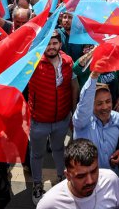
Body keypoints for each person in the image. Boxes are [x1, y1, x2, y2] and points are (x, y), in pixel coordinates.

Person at [27, 31, 79, 204]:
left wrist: (72, 114)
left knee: (59, 150)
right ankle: (37, 184)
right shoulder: (32, 62)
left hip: (62, 119)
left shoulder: (68, 62)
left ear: (60, 44)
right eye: (48, 43)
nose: (51, 47)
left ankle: (61, 178)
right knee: (37, 154)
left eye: (54, 43)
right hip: (39, 121)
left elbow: (73, 87)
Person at [36, 138, 119, 209]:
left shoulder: (111, 180)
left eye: (94, 171)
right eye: (81, 176)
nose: (90, 181)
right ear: (68, 175)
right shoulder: (49, 203)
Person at [72, 72, 119, 174]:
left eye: (108, 101)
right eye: (99, 103)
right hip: (88, 182)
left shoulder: (118, 118)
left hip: (113, 180)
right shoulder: (82, 123)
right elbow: (84, 105)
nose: (105, 107)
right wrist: (93, 77)